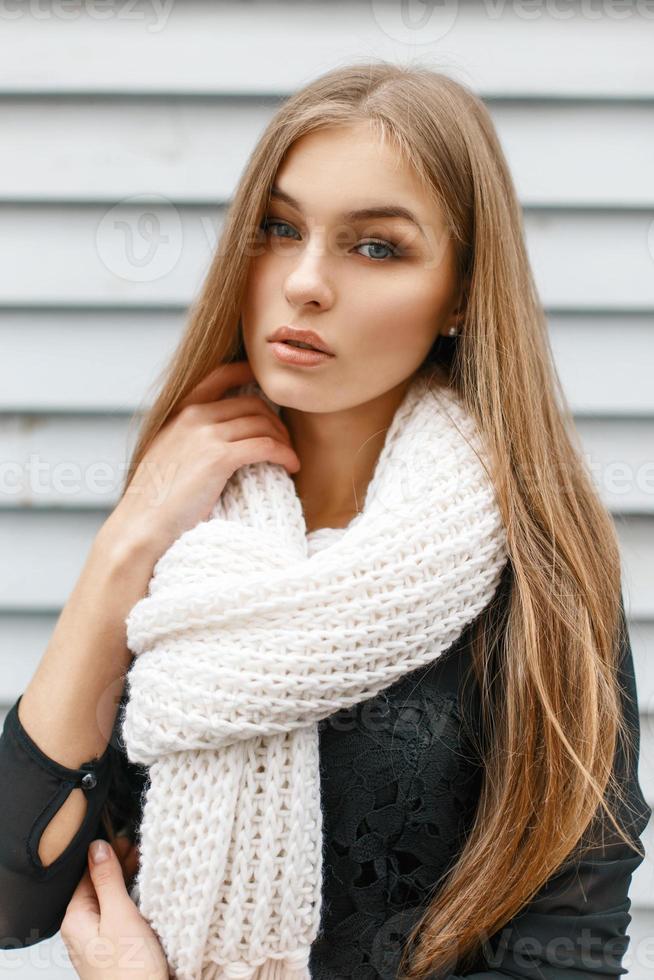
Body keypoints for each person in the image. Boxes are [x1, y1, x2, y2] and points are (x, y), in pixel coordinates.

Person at [0, 61, 650, 980]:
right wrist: (125, 547)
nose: (305, 282)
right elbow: (13, 895)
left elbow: (569, 949)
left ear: (463, 292)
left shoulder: (538, 566)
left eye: (375, 247)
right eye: (278, 227)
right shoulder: (186, 536)